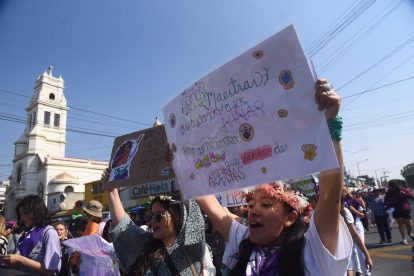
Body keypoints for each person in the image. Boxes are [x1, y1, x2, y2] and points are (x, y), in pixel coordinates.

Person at [195, 79, 353, 275]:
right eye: (251, 205)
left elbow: (329, 198)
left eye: (266, 204)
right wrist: (181, 163)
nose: (253, 211)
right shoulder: (242, 241)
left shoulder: (313, 250)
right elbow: (208, 201)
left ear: (290, 217)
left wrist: (330, 125)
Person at [102, 168, 216, 276]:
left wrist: (178, 167)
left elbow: (193, 215)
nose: (152, 221)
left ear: (175, 215)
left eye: (158, 216)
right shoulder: (145, 245)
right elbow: (122, 226)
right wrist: (112, 189)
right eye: (150, 216)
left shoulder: (190, 247)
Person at [0, 195, 61, 275]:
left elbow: (51, 270)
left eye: (24, 214)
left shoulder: (49, 233)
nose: (22, 218)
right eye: (20, 215)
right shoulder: (26, 235)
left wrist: (20, 259)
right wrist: (8, 260)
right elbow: (21, 266)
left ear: (36, 212)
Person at [341, 188, 373, 276]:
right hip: (346, 227)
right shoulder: (337, 204)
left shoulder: (353, 201)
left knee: (360, 249)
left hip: (357, 225)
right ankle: (358, 271)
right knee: (352, 250)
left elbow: (362, 215)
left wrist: (353, 210)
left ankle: (367, 272)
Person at [385, 180, 414, 245]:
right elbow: (386, 200)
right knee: (400, 223)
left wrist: (405, 194)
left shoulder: (401, 190)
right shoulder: (389, 192)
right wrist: (388, 206)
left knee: (408, 224)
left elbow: (411, 196)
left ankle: (410, 233)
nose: (387, 186)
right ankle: (404, 239)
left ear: (392, 185)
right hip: (395, 210)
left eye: (388, 184)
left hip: (405, 209)